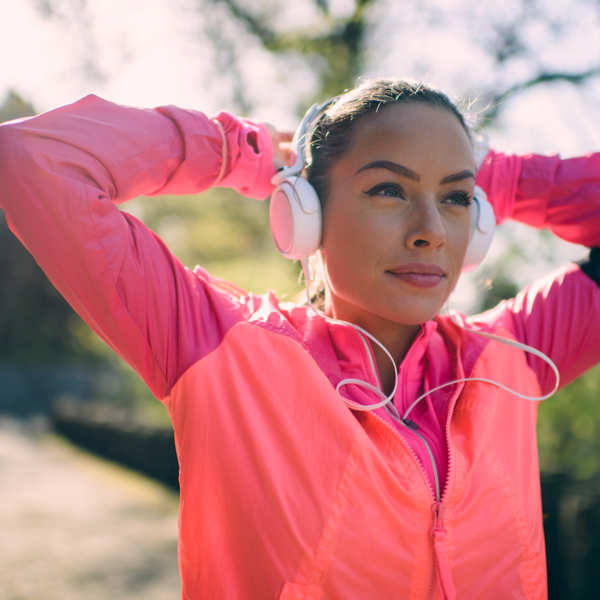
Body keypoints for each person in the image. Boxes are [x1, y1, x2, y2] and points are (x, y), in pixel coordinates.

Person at [1, 79, 599, 599]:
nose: (431, 232)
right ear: (305, 208)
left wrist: (506, 176)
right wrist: (247, 153)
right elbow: (30, 157)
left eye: (456, 197)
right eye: (389, 189)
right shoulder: (217, 344)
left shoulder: (514, 353)